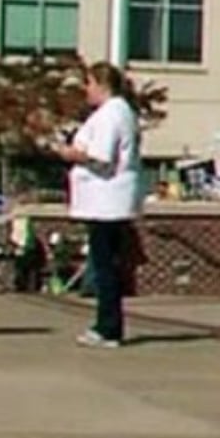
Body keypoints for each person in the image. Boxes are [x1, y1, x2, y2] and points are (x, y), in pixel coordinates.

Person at [51, 62, 142, 349]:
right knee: (107, 265)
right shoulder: (121, 112)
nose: (86, 91)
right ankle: (108, 325)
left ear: (102, 84)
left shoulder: (110, 115)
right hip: (111, 200)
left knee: (105, 267)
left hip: (105, 200)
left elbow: (101, 157)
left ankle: (108, 327)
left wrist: (69, 153)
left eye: (88, 84)